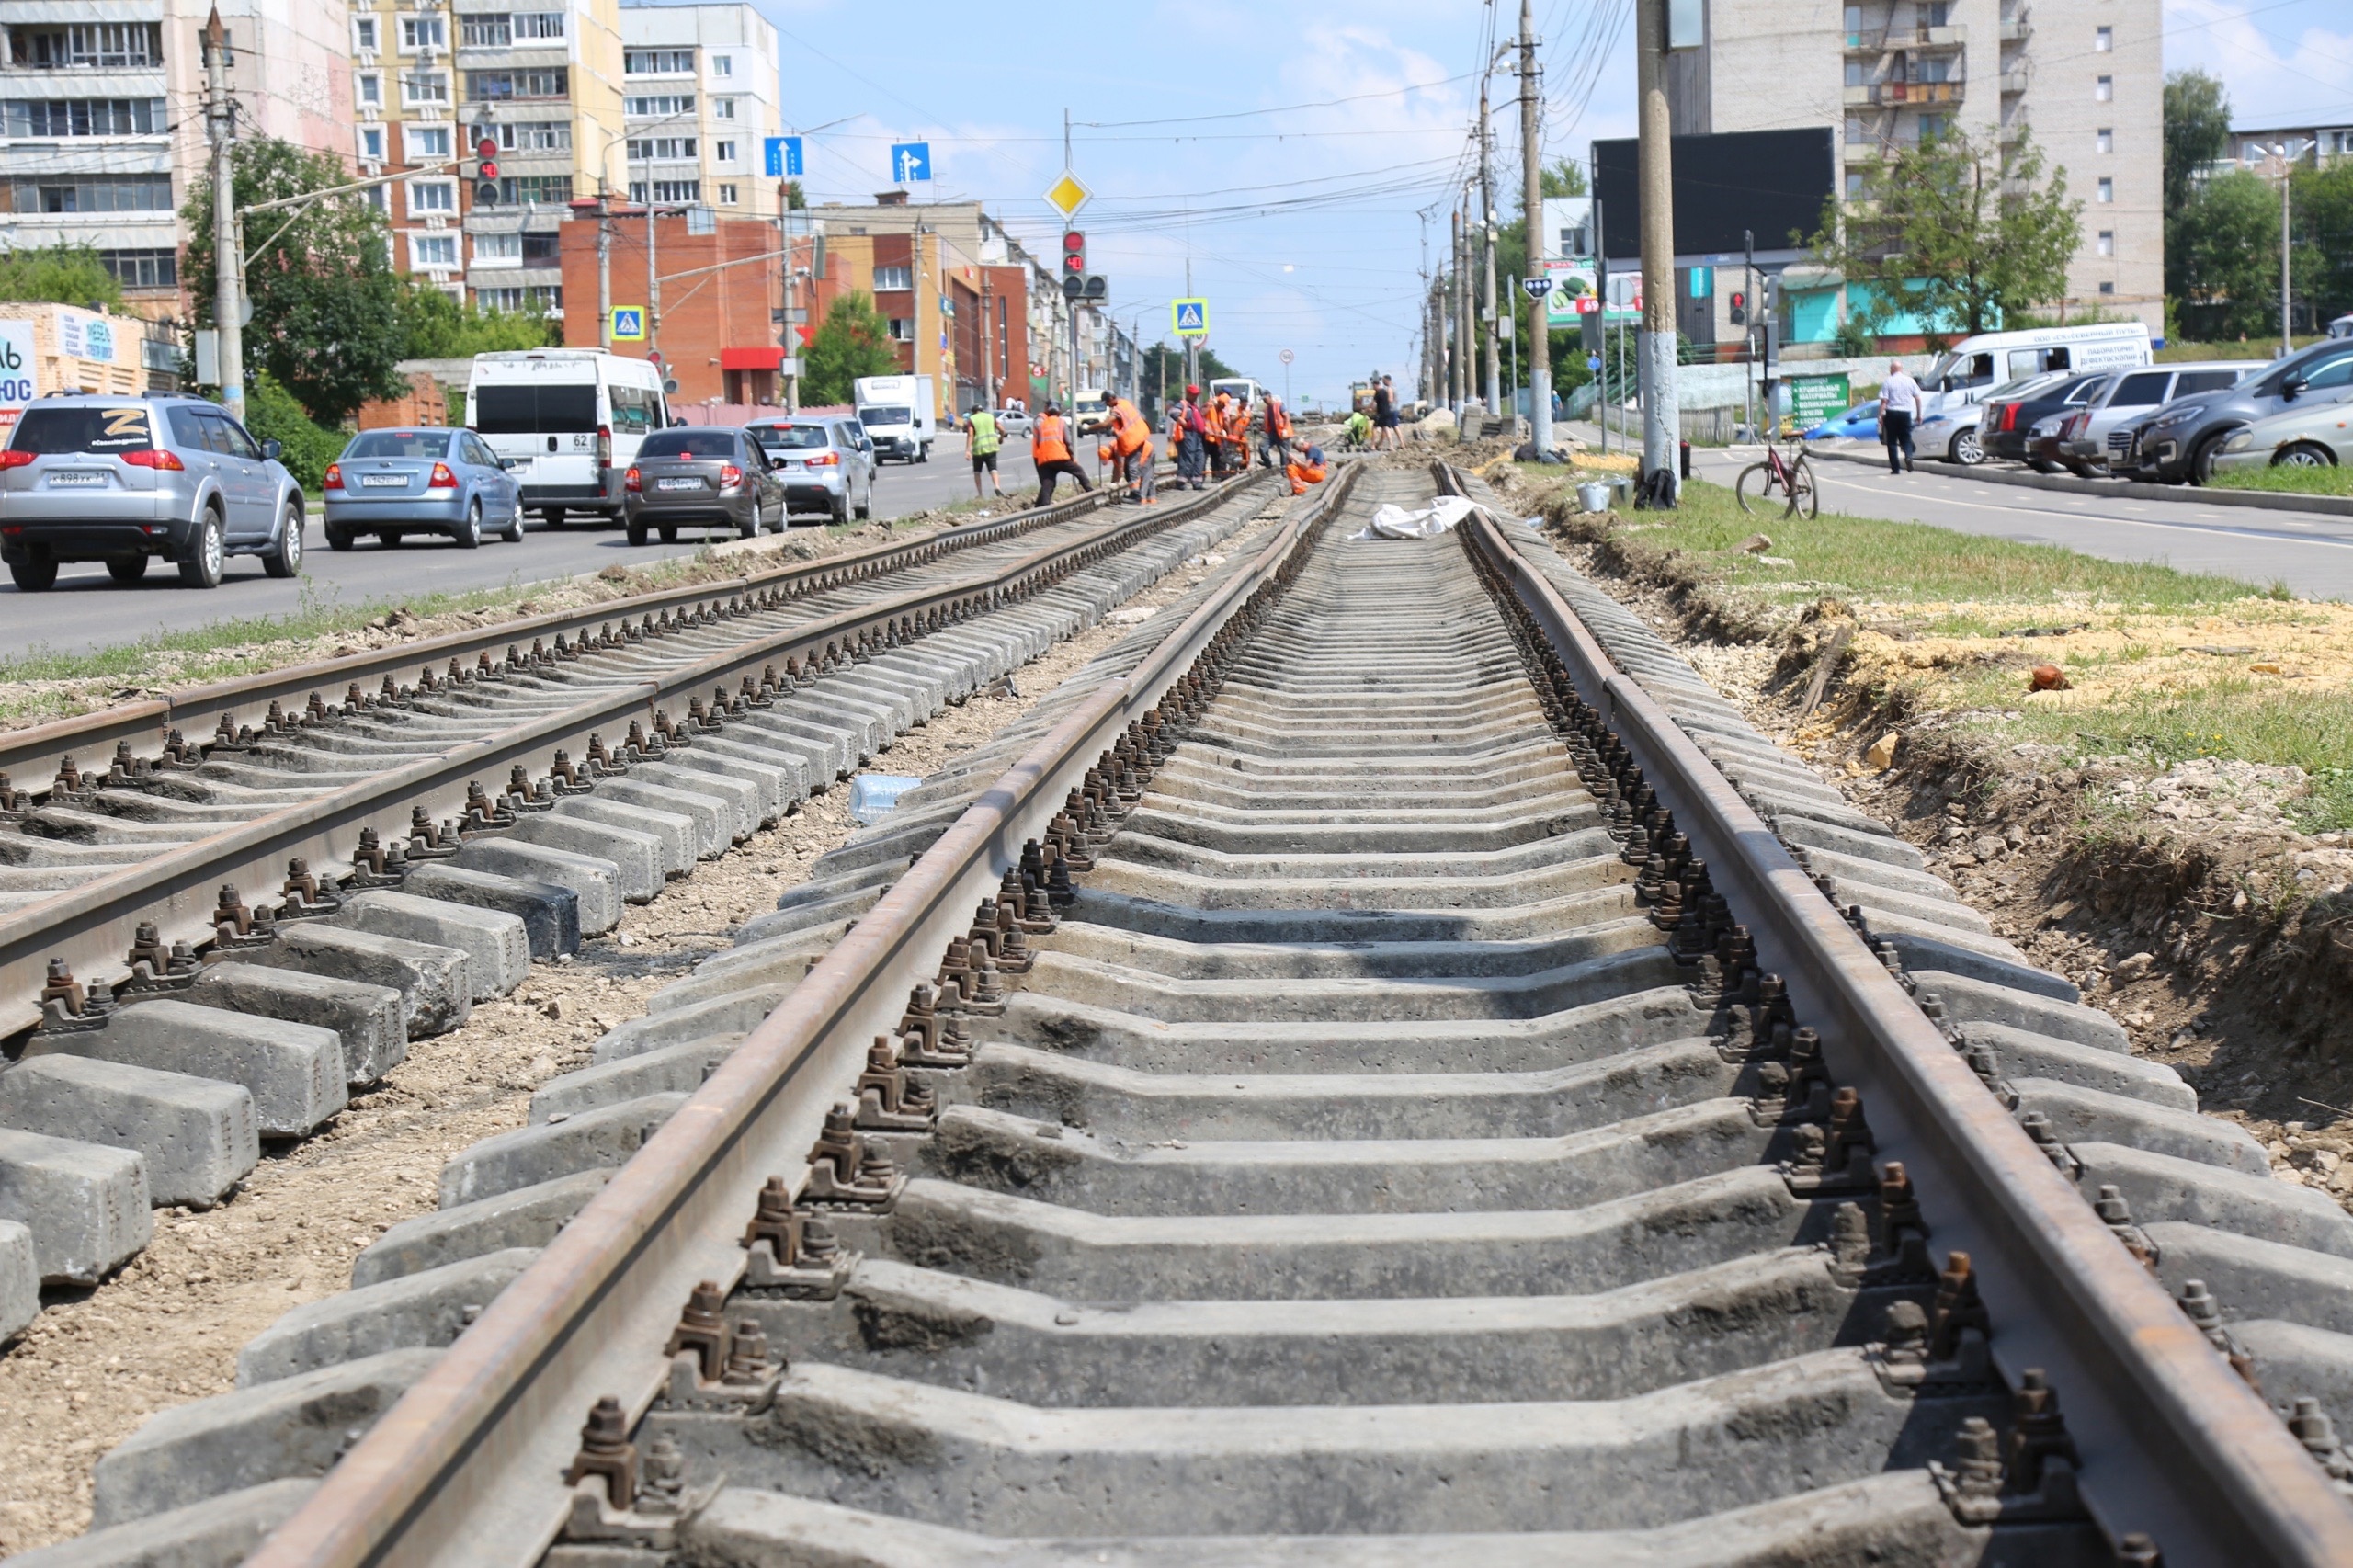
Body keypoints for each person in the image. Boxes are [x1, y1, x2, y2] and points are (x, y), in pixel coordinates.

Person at [1030, 402, 1092, 506]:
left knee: (1047, 483)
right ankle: (1091, 492)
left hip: (1044, 459)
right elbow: (1068, 442)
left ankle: (1043, 508)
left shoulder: (1042, 424)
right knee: (1079, 471)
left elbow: (1039, 441)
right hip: (1059, 456)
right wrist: (1072, 456)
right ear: (1058, 412)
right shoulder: (1061, 422)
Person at [1108, 394, 1155, 505]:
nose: (1107, 406)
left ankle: (1137, 496)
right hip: (1139, 441)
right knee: (1143, 473)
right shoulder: (1125, 404)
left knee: (1133, 468)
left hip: (1140, 446)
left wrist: (1114, 482)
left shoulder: (1118, 409)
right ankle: (1149, 498)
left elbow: (1119, 468)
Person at [1878, 359, 1923, 474]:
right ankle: (1908, 456)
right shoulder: (1910, 381)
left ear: (1892, 369)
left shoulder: (1888, 381)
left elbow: (1884, 401)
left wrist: (1880, 416)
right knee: (1906, 438)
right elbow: (1918, 398)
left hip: (1892, 413)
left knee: (1892, 441)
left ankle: (1895, 468)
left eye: (1890, 369)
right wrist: (1919, 414)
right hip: (1906, 413)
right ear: (1901, 369)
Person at [1172, 384, 1210, 490]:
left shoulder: (1194, 406)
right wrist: (1182, 421)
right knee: (1188, 458)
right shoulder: (1183, 404)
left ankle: (1197, 481)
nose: (1196, 396)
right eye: (1194, 394)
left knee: (1199, 457)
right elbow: (1173, 412)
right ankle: (1181, 481)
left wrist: (1204, 428)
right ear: (1189, 394)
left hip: (1197, 436)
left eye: (1197, 394)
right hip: (1189, 434)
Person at [961, 405, 1003, 499]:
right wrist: (1001, 438)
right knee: (993, 469)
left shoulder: (972, 419)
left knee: (977, 472)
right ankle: (997, 486)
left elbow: (970, 434)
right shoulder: (990, 417)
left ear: (973, 412)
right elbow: (1002, 429)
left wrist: (968, 450)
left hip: (978, 450)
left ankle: (980, 494)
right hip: (992, 447)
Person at [1259, 391, 1293, 471]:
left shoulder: (1279, 405)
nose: (1265, 401)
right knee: (1262, 446)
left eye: (1265, 399)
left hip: (1282, 433)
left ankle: (1284, 469)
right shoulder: (1267, 409)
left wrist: (1284, 429)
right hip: (1272, 433)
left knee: (1284, 452)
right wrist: (1261, 428)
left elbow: (1287, 417)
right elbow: (1266, 421)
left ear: (1270, 396)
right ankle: (1267, 462)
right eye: (1263, 399)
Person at [1221, 392, 1251, 477]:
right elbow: (1232, 420)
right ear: (1240, 402)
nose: (1244, 403)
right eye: (1243, 401)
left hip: (1241, 437)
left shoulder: (1248, 412)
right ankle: (1231, 472)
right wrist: (1239, 416)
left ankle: (1244, 468)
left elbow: (1247, 424)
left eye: (1245, 401)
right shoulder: (1235, 409)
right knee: (1233, 455)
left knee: (1245, 451)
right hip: (1233, 437)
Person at [1371, 376, 1396, 450]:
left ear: (1375, 385)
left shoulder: (1378, 392)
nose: (1373, 387)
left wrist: (1367, 409)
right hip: (1387, 411)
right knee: (1386, 428)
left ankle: (1372, 445)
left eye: (1373, 386)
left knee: (1374, 428)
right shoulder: (1385, 391)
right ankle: (1391, 445)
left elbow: (1373, 404)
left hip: (1380, 413)